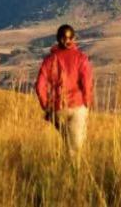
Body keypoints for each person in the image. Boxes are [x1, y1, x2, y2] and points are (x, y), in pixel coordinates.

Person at [35, 23, 93, 153]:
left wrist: (47, 106)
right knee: (75, 148)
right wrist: (87, 102)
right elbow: (87, 83)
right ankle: (73, 171)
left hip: (57, 108)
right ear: (73, 39)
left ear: (57, 39)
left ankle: (63, 168)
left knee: (67, 142)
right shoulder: (81, 58)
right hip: (77, 106)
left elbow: (40, 86)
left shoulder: (49, 60)